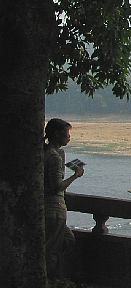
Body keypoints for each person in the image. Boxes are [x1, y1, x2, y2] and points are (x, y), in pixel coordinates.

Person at [43, 118, 85, 279]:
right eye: (66, 133)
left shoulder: (49, 153)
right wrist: (76, 175)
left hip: (49, 208)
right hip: (54, 209)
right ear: (56, 134)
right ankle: (50, 281)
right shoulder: (54, 157)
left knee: (67, 240)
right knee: (50, 250)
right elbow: (56, 187)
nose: (69, 136)